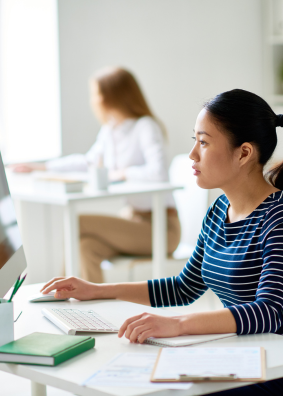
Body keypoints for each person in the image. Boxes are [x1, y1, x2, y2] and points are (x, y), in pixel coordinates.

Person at [40, 89, 283, 396]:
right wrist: (98, 290)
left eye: (204, 142)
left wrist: (177, 325)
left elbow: (268, 312)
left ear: (244, 153)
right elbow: (183, 287)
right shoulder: (219, 211)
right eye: (194, 140)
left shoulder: (282, 216)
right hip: (248, 357)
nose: (193, 154)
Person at [11, 67, 181, 283]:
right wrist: (43, 167)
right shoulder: (110, 130)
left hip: (161, 229)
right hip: (132, 219)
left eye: (96, 94)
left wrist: (122, 173)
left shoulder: (145, 126)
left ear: (109, 97)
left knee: (77, 222)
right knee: (85, 247)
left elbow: (158, 173)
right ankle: (94, 308)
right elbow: (87, 161)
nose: (93, 101)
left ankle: (59, 292)